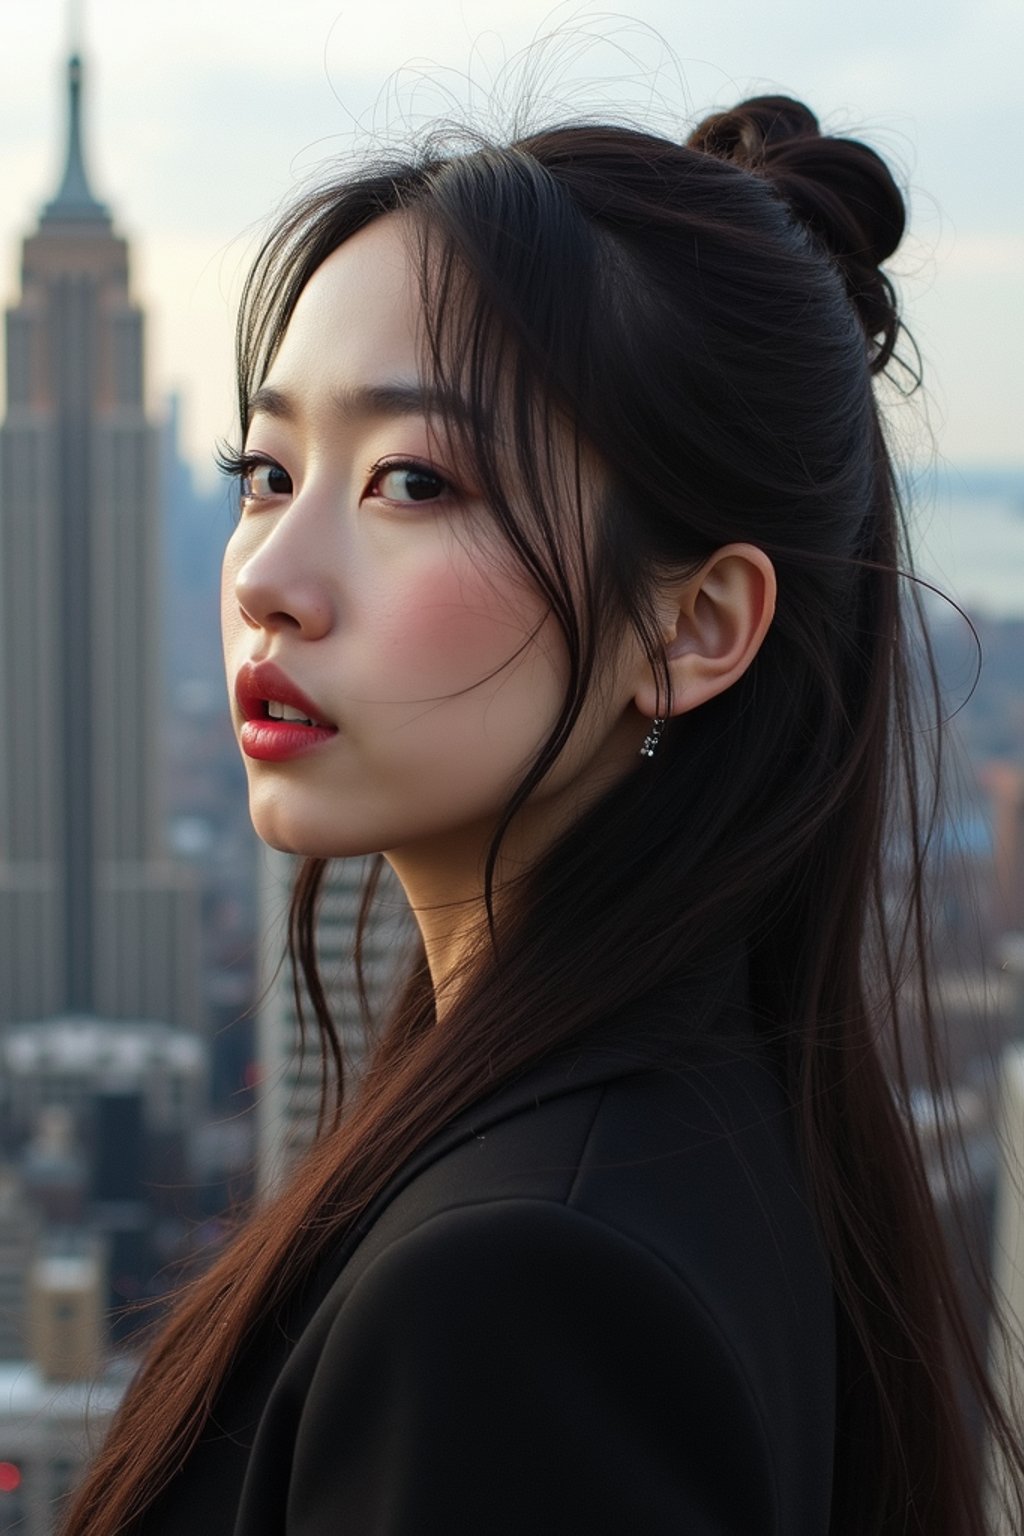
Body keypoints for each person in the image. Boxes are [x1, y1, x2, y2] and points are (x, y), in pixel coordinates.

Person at [63, 96, 1023, 1535]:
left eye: (412, 480)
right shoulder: (698, 1134)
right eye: (265, 472)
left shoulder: (518, 1291)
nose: (270, 574)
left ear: (696, 626)